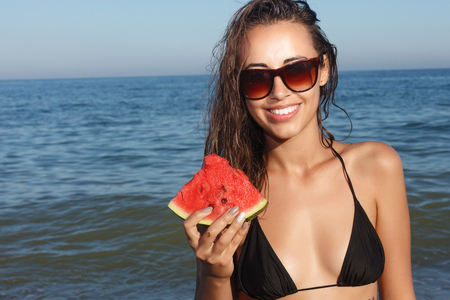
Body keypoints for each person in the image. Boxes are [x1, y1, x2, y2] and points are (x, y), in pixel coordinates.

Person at [183, 0, 416, 299]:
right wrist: (213, 274)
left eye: (296, 71)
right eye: (256, 78)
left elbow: (401, 294)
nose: (279, 92)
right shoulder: (231, 199)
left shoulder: (378, 166)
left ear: (323, 70)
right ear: (239, 88)